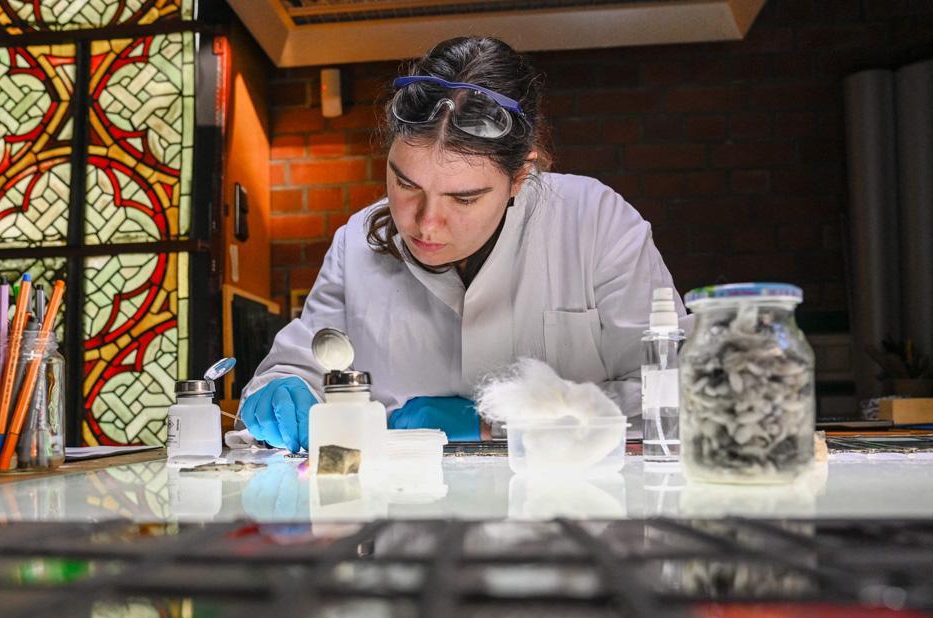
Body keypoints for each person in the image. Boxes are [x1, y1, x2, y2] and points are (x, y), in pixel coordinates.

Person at [240, 36, 687, 453]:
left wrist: (497, 422)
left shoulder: (595, 222)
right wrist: (281, 390)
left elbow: (678, 392)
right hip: (403, 521)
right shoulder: (355, 244)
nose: (426, 223)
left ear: (519, 177)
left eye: (465, 197)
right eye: (405, 183)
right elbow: (299, 368)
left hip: (565, 517)